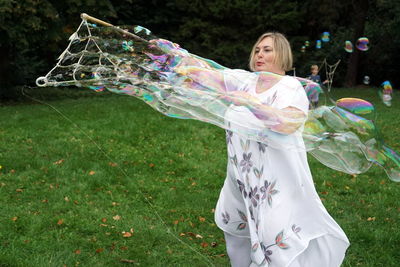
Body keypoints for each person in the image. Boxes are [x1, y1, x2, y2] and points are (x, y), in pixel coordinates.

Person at [214, 32, 349, 266]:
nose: (260, 54)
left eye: (267, 50)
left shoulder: (291, 87)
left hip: (274, 184)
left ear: (282, 54)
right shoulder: (245, 81)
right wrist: (177, 57)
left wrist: (251, 103)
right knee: (237, 236)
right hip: (240, 180)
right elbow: (205, 75)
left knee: (275, 246)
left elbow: (286, 124)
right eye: (257, 49)